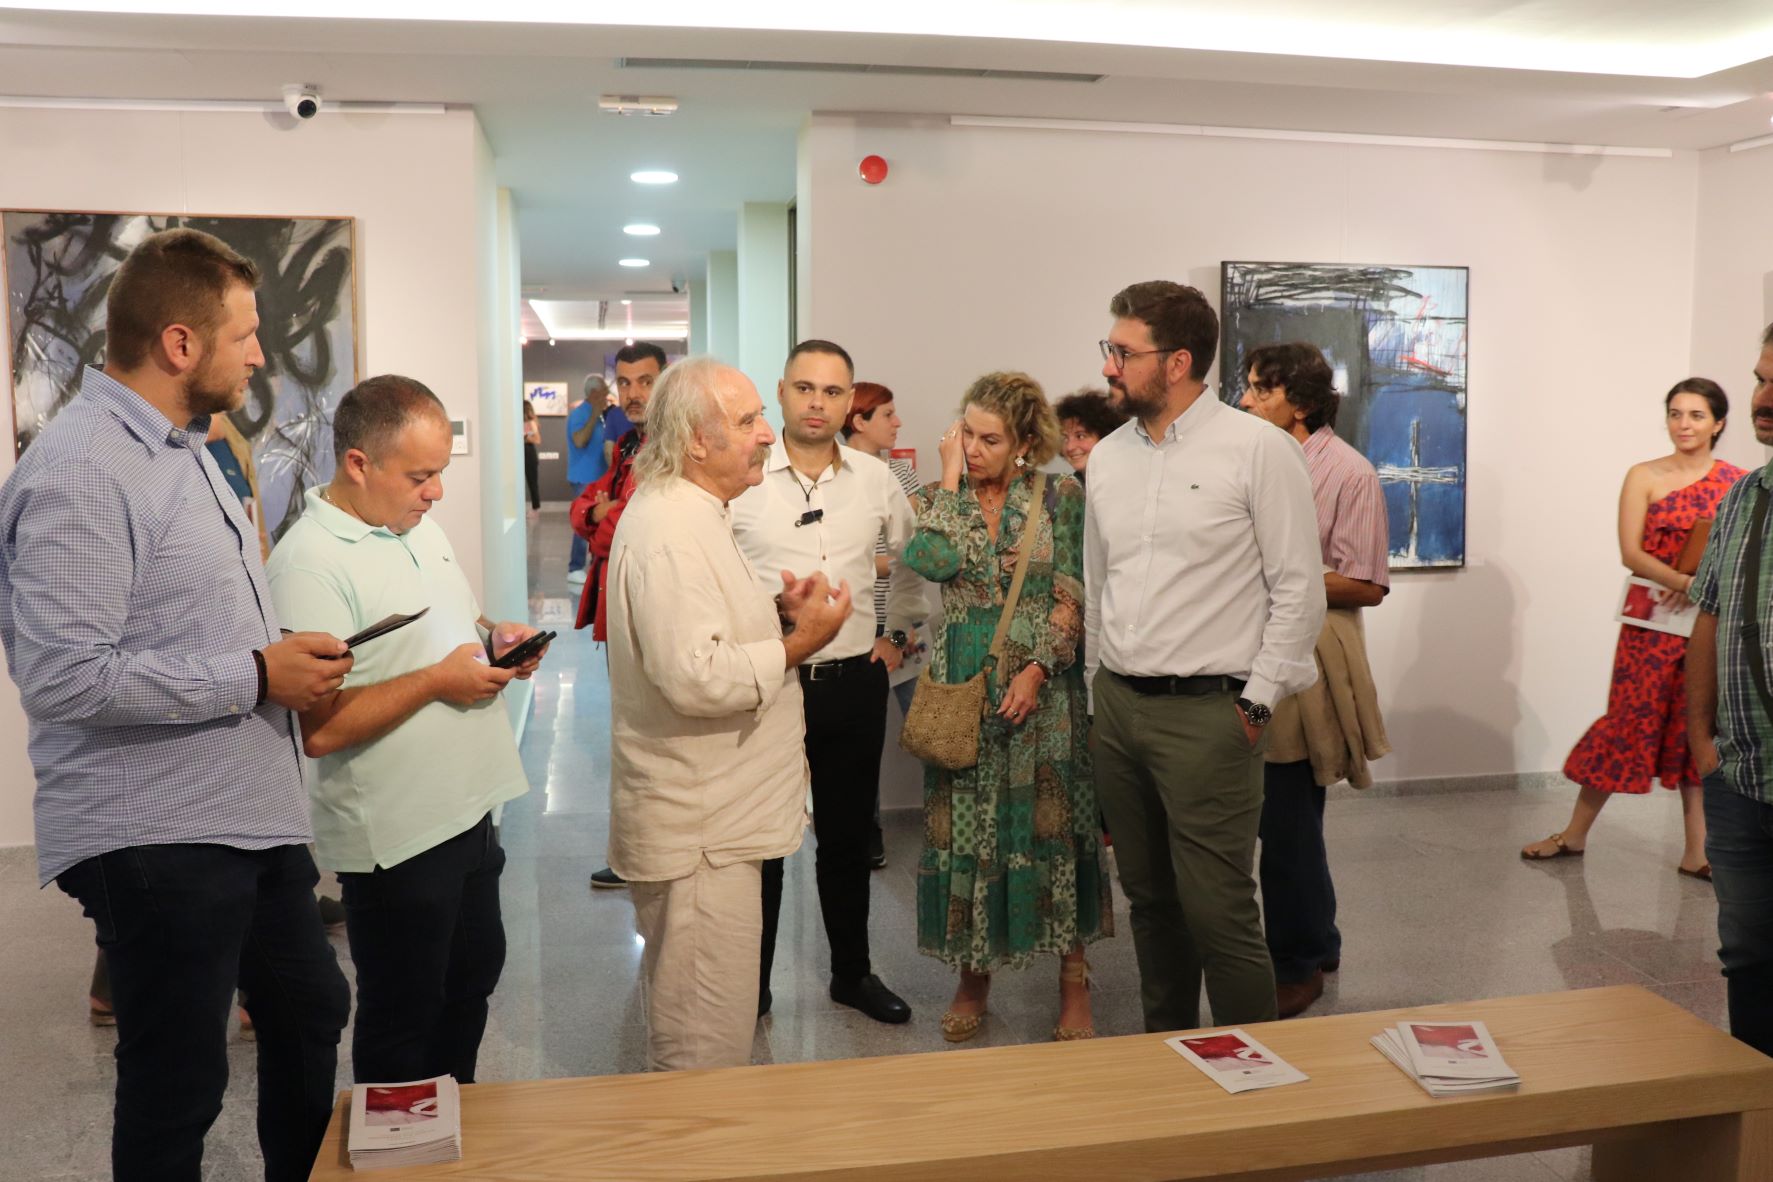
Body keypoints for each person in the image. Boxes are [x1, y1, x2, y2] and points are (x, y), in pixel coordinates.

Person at [0, 227, 352, 1182]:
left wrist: (282, 657)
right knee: (179, 1080)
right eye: (245, 335)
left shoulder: (184, 448)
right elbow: (66, 675)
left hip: (241, 816)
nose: (260, 355)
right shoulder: (82, 468)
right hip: (155, 832)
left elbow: (187, 620)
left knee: (310, 1008)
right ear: (180, 344)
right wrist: (258, 676)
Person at [267, 374, 544, 1086]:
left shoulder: (417, 526)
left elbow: (454, 621)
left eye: (439, 473)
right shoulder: (308, 561)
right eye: (421, 476)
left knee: (470, 983)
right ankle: (399, 1144)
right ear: (358, 463)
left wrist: (495, 636)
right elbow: (321, 729)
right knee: (404, 1018)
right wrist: (436, 681)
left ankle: (454, 1127)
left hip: (471, 808)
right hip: (397, 837)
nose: (437, 492)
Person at [1086, 280, 1324, 1032]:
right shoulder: (1109, 458)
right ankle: (1167, 1061)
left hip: (1209, 714)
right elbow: (1099, 585)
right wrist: (1096, 696)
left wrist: (1256, 702)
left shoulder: (1258, 450)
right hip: (1118, 705)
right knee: (1150, 904)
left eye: (1123, 352)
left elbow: (1299, 590)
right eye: (1109, 349)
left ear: (1178, 361)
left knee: (1218, 911)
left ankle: (1253, 1077)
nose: (1109, 366)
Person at [605, 355, 852, 1070]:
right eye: (747, 421)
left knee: (715, 1031)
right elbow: (696, 678)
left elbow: (698, 632)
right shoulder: (670, 530)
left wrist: (774, 615)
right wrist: (801, 642)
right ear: (694, 441)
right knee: (701, 1051)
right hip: (700, 836)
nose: (768, 434)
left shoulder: (695, 512)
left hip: (716, 826)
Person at [903, 371, 1113, 1043]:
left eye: (988, 439)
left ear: (1024, 443)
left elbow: (1072, 592)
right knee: (968, 833)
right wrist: (948, 480)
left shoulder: (1060, 496)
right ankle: (973, 977)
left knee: (1052, 831)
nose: (972, 448)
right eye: (965, 433)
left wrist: (1037, 668)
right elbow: (929, 560)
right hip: (963, 689)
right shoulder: (942, 497)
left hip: (1044, 695)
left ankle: (1073, 980)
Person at [731, 343, 918, 1023]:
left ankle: (851, 975)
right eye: (805, 388)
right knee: (766, 841)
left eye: (833, 392)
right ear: (781, 392)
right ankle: (750, 989)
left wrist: (898, 633)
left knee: (846, 838)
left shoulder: (875, 477)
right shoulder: (742, 477)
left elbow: (914, 559)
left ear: (848, 402)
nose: (817, 403)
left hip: (851, 681)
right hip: (771, 680)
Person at [1527, 379, 1744, 878]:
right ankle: (1574, 834)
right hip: (1651, 624)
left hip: (1708, 625)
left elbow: (1739, 552)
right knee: (1628, 720)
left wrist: (1701, 587)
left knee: (1697, 727)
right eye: (1675, 413)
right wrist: (1684, 581)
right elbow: (1630, 552)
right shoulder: (1643, 475)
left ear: (1718, 423)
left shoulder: (1738, 482)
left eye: (1696, 415)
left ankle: (1697, 852)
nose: (1683, 424)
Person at [1238, 341, 1394, 1018]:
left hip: (1311, 651)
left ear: (1299, 403)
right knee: (1287, 814)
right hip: (1257, 647)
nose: (1245, 401)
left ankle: (1297, 963)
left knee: (1287, 817)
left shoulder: (1348, 472)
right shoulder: (1252, 459)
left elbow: (1366, 584)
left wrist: (1281, 571)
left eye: (1259, 390)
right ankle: (1320, 939)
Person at [1689, 326, 1773, 1058]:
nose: (1762, 398)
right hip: (1740, 774)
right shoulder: (1744, 495)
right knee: (1746, 953)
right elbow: (1709, 614)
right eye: (1759, 379)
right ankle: (1757, 1100)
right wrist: (1700, 743)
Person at [576, 341, 665, 891]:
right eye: (625, 382)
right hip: (621, 605)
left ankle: (648, 855)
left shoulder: (670, 448)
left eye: (646, 381)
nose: (634, 394)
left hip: (650, 606)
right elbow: (589, 507)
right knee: (632, 732)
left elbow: (624, 528)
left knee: (648, 734)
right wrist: (598, 513)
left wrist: (602, 518)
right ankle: (637, 852)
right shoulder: (631, 443)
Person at [841, 378, 927, 866]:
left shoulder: (901, 474)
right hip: (853, 627)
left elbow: (914, 551)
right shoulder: (836, 473)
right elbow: (833, 559)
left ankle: (946, 823)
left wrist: (876, 563)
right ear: (859, 421)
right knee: (860, 740)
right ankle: (867, 833)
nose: (898, 423)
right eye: (887, 415)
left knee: (929, 726)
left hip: (902, 624)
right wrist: (878, 562)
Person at [566, 374, 630, 589]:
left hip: (600, 478)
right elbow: (579, 441)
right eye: (604, 391)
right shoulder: (580, 414)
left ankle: (594, 565)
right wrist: (594, 414)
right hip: (583, 477)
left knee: (599, 521)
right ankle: (575, 567)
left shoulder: (604, 415)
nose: (607, 395)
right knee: (583, 520)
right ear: (594, 393)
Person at [1053, 388, 1127, 483]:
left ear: (1105, 436)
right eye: (1065, 438)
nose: (1069, 447)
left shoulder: (1128, 482)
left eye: (1080, 436)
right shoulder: (1065, 489)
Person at [522, 398, 541, 518]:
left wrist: (524, 437)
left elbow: (537, 440)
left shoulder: (531, 423)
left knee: (532, 482)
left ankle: (535, 508)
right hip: (521, 454)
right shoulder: (521, 423)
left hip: (529, 454)